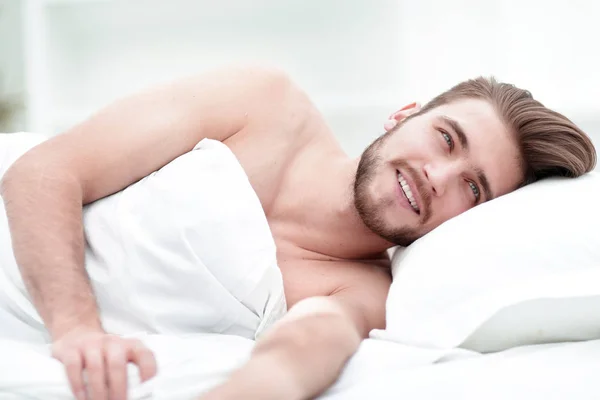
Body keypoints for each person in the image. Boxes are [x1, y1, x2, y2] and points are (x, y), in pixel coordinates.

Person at [0, 65, 596, 400]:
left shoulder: (363, 294)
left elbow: (293, 359)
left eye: (474, 188)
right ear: (403, 115)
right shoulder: (266, 106)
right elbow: (45, 172)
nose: (438, 177)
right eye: (445, 139)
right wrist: (77, 328)